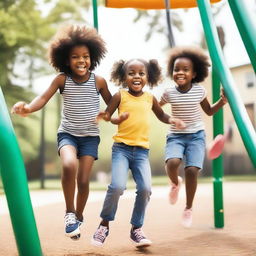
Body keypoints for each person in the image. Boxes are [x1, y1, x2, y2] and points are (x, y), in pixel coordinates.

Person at [11, 25, 112, 240]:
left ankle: (79, 214)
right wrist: (28, 107)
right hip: (67, 134)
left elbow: (113, 105)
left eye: (85, 56)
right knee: (68, 165)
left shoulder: (99, 81)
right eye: (75, 57)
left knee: (84, 181)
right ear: (66, 60)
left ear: (92, 57)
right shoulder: (62, 80)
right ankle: (69, 213)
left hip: (90, 138)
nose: (81, 60)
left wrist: (118, 113)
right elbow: (43, 98)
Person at [91, 58, 186, 248]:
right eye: (131, 73)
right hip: (122, 150)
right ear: (123, 77)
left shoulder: (150, 98)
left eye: (141, 74)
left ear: (148, 77)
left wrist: (172, 119)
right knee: (117, 187)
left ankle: (136, 229)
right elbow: (110, 115)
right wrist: (105, 116)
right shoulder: (120, 96)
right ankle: (104, 224)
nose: (136, 76)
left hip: (142, 152)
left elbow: (161, 115)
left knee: (145, 189)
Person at [159, 46, 227, 228]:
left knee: (191, 170)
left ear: (194, 73)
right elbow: (156, 108)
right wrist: (168, 118)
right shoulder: (168, 93)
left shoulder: (199, 91)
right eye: (176, 69)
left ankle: (188, 207)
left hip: (196, 136)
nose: (180, 72)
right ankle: (175, 183)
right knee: (172, 163)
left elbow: (209, 111)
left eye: (185, 69)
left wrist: (222, 101)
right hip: (175, 136)